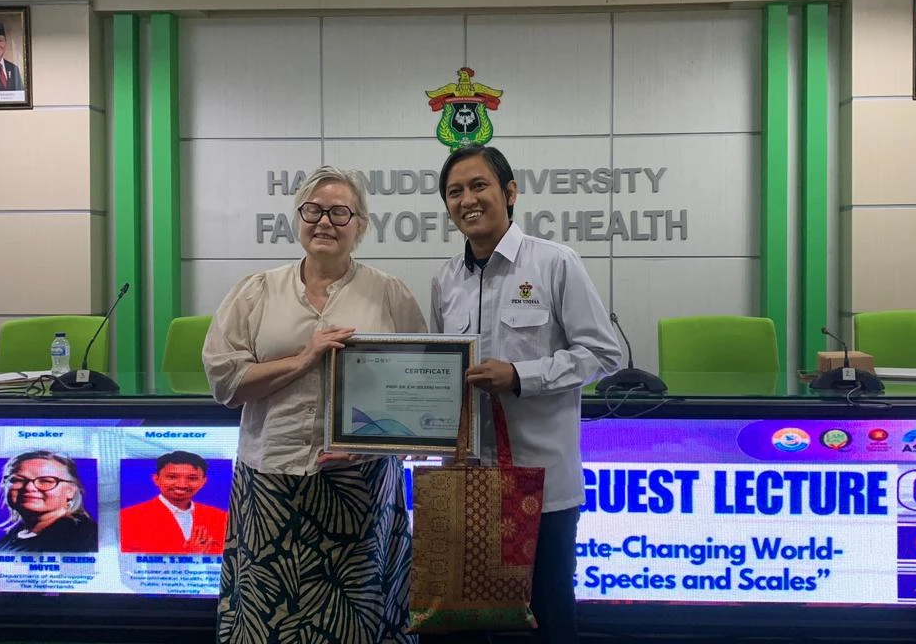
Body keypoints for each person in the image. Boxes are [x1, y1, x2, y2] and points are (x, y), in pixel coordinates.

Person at [203, 164, 428, 644]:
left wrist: (375, 445)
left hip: (361, 487)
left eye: (340, 212)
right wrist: (304, 358)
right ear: (298, 218)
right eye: (314, 210)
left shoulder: (389, 294)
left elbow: (420, 388)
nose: (325, 221)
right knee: (269, 619)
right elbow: (226, 383)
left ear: (360, 226)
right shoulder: (256, 292)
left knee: (358, 618)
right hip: (272, 481)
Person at [430, 144, 623, 644]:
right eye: (454, 191)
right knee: (461, 622)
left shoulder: (555, 263)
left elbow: (604, 353)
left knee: (548, 618)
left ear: (510, 192)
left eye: (479, 186)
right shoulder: (446, 280)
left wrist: (521, 375)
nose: (467, 200)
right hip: (468, 482)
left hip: (541, 484)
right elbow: (440, 374)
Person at [119, 451, 229, 554]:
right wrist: (190, 553)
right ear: (156, 479)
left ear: (203, 481)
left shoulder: (221, 517)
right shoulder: (128, 518)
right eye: (172, 477)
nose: (182, 485)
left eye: (192, 478)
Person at [0, 450, 97, 553]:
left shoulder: (84, 539)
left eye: (46, 481)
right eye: (18, 480)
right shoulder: (12, 537)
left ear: (70, 491)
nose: (29, 487)